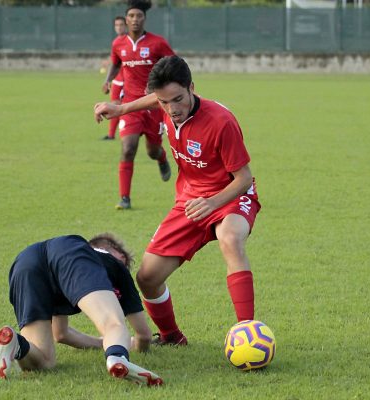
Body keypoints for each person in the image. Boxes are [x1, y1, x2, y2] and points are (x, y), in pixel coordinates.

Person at [94, 56, 261, 346]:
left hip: (231, 195)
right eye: (164, 102)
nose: (172, 109)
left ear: (192, 88)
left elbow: (244, 178)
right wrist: (121, 108)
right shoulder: (165, 104)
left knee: (230, 239)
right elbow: (153, 100)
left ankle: (247, 334)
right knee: (147, 278)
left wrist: (213, 203)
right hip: (190, 201)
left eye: (178, 99)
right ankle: (171, 336)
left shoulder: (221, 122)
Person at [0, 233, 163, 386]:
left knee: (44, 362)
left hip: (24, 261)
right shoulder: (113, 264)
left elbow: (61, 334)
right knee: (113, 324)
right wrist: (136, 347)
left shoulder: (66, 262)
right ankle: (117, 358)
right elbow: (144, 335)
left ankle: (15, 343)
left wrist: (102, 342)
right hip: (69, 252)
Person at [102, 0, 175, 210]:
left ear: (145, 18)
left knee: (152, 151)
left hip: (154, 107)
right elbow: (116, 63)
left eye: (139, 16)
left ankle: (161, 158)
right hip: (130, 106)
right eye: (131, 16)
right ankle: (125, 198)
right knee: (128, 149)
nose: (135, 20)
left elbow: (174, 64)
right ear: (126, 19)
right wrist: (108, 79)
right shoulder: (118, 44)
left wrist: (159, 85)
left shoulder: (157, 43)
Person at [101, 16, 127, 141]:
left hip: (128, 81)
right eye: (116, 25)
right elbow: (114, 63)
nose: (119, 27)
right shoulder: (116, 42)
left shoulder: (130, 40)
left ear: (126, 25)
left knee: (128, 107)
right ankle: (111, 134)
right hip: (117, 80)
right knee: (114, 106)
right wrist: (107, 80)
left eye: (121, 25)